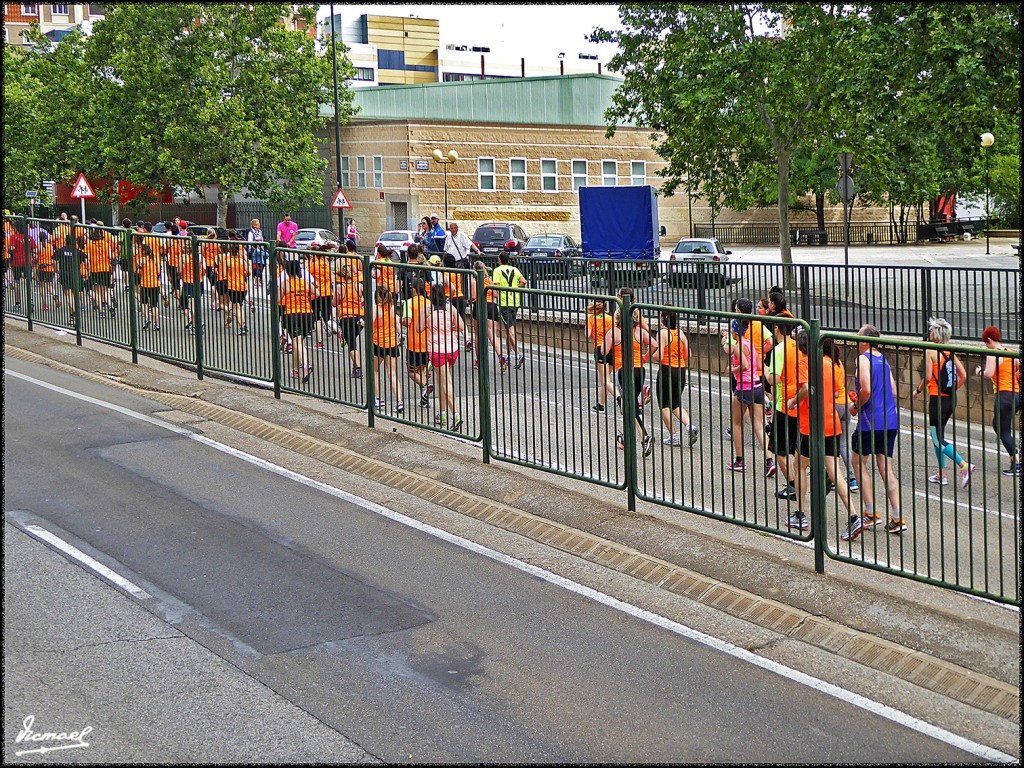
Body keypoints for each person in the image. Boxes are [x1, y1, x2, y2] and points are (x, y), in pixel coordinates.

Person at [784, 329, 857, 540]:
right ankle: (853, 516)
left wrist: (793, 401)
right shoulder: (828, 364)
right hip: (831, 421)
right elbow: (835, 393)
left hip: (812, 424)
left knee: (799, 466)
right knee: (835, 471)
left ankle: (800, 513)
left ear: (800, 347)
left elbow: (806, 387)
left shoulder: (805, 363)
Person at [849, 325, 904, 535]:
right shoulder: (884, 360)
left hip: (869, 420)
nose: (855, 337)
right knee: (886, 468)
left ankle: (870, 513)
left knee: (858, 463)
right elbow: (894, 391)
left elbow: (866, 389)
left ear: (865, 340)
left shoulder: (863, 359)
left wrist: (855, 407)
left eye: (858, 334)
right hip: (890, 420)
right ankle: (897, 517)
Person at [912, 317, 974, 487]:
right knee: (938, 436)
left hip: (937, 400)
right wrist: (952, 388)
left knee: (937, 439)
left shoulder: (930, 352)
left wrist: (918, 390)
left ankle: (964, 465)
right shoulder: (950, 352)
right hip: (950, 399)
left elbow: (928, 376)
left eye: (932, 330)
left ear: (937, 335)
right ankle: (942, 474)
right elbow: (963, 376)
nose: (930, 333)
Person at [603, 305, 657, 458]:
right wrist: (645, 357)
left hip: (624, 370)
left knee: (629, 405)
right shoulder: (640, 332)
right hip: (640, 370)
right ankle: (626, 439)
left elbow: (604, 351)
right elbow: (655, 345)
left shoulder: (614, 332)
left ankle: (645, 436)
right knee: (631, 405)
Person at [417, 283, 466, 431]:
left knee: (446, 383)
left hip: (437, 350)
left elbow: (419, 328)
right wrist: (449, 327)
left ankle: (456, 414)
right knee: (441, 380)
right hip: (452, 348)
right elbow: (462, 326)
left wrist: (429, 324)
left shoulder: (427, 309)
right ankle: (442, 412)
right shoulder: (450, 308)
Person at [765, 317, 803, 503]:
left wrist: (765, 370)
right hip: (801, 403)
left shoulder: (779, 350)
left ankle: (794, 485)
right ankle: (798, 483)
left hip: (784, 405)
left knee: (778, 450)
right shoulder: (799, 346)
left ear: (778, 329)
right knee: (797, 448)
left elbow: (774, 379)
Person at [722, 318, 767, 471]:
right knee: (759, 426)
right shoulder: (751, 344)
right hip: (758, 386)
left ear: (734, 331)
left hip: (745, 387)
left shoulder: (737, 346)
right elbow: (759, 365)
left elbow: (745, 365)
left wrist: (731, 369)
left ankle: (739, 461)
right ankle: (769, 461)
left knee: (736, 424)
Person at [978, 326, 1021, 477]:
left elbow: (989, 373)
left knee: (1003, 431)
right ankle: (1014, 453)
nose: (986, 345)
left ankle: (1017, 463)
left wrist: (979, 372)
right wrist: (1013, 376)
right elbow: (1019, 370)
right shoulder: (1009, 352)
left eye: (985, 343)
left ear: (989, 340)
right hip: (1016, 395)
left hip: (1004, 396)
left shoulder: (993, 353)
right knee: (997, 425)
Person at [657, 309, 698, 446]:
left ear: (663, 318)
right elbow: (688, 355)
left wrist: (653, 355)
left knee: (664, 404)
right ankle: (689, 426)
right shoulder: (680, 334)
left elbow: (660, 356)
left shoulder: (662, 333)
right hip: (681, 370)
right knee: (675, 403)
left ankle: (674, 436)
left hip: (667, 369)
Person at [822, 337, 858, 492]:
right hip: (845, 404)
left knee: (828, 443)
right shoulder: (838, 362)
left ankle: (831, 475)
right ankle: (852, 477)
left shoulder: (824, 363)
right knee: (842, 443)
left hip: (833, 405)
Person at [279, 258, 318, 383]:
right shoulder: (305, 282)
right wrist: (306, 297)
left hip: (292, 314)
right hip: (307, 314)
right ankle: (295, 369)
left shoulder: (285, 283)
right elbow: (317, 293)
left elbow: (279, 299)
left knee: (297, 342)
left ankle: (306, 365)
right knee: (298, 342)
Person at [492, 251, 528, 369]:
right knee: (508, 329)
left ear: (499, 260)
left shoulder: (497, 271)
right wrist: (516, 288)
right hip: (515, 301)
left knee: (510, 328)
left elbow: (496, 288)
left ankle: (518, 353)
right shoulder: (515, 269)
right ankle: (508, 355)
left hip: (504, 302)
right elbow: (523, 281)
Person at [402, 277, 434, 407]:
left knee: (412, 372)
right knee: (423, 369)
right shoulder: (429, 303)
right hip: (428, 342)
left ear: (414, 290)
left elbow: (407, 321)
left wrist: (400, 320)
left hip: (414, 342)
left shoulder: (409, 302)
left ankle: (425, 385)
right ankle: (424, 398)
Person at [372, 283, 403, 414]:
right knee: (393, 374)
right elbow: (397, 325)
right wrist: (399, 336)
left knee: (375, 371)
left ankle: (378, 398)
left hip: (378, 343)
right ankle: (400, 401)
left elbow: (370, 322)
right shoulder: (392, 308)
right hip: (391, 343)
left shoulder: (376, 308)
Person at [334, 262, 364, 378]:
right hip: (359, 316)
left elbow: (334, 303)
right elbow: (363, 299)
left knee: (351, 343)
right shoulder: (359, 285)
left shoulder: (340, 287)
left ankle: (358, 367)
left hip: (346, 317)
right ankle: (355, 365)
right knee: (352, 338)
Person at [587, 300, 616, 412]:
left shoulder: (591, 319)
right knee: (607, 377)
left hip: (600, 348)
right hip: (612, 348)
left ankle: (619, 398)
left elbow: (588, 334)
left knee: (605, 380)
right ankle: (601, 404)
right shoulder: (610, 318)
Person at [307, 245, 338, 348]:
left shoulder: (314, 265)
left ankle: (320, 341)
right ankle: (338, 330)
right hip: (328, 292)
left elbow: (307, 276)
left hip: (317, 293)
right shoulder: (326, 264)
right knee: (327, 317)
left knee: (316, 317)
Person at [222, 241, 251, 335]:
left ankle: (241, 327)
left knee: (236, 307)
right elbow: (249, 272)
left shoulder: (227, 261)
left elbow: (224, 274)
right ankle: (243, 323)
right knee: (240, 305)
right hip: (242, 286)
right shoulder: (242, 261)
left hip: (232, 286)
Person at [135, 243, 162, 331]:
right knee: (154, 305)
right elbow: (158, 272)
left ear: (143, 251)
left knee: (144, 303)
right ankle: (156, 324)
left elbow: (138, 272)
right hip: (154, 284)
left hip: (145, 284)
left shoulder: (140, 260)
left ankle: (146, 319)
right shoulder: (155, 261)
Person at [246, 218, 268, 291]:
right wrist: (252, 248)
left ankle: (260, 279)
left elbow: (262, 240)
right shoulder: (251, 233)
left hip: (261, 250)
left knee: (263, 264)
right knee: (256, 266)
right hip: (255, 251)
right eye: (258, 224)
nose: (259, 225)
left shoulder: (260, 232)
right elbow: (250, 242)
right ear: (254, 225)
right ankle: (256, 279)